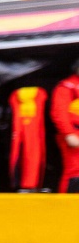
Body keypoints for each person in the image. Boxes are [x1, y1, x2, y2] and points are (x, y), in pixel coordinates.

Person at [53, 58, 79, 193]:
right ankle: (67, 205)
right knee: (75, 171)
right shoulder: (67, 86)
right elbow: (59, 113)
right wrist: (69, 134)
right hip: (74, 134)